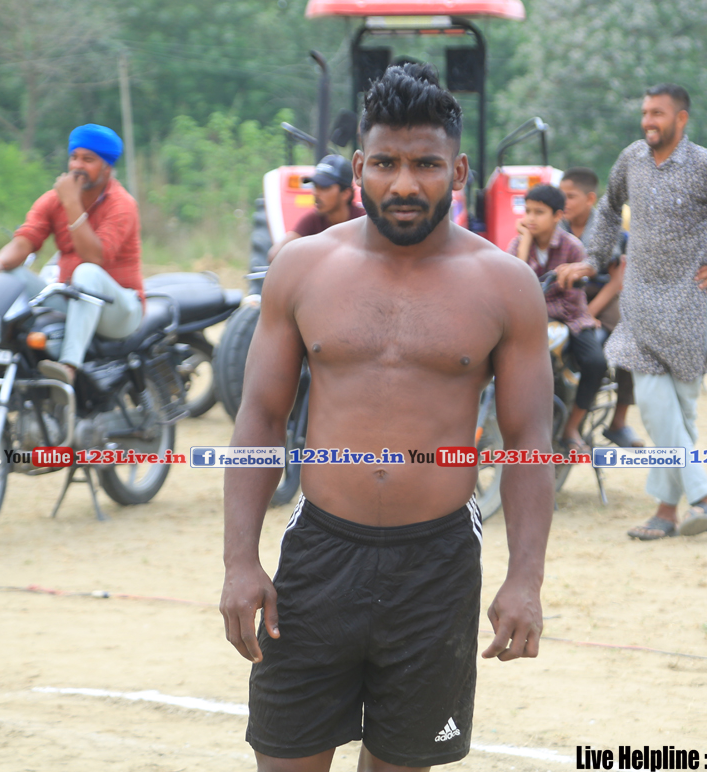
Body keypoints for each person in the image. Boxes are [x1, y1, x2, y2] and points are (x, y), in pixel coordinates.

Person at [220, 63, 553, 771]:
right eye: (386, 163)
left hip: (437, 564)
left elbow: (528, 441)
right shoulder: (302, 268)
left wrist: (526, 578)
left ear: (458, 170)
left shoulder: (506, 285)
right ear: (359, 168)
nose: (405, 184)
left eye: (426, 164)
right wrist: (239, 560)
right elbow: (260, 419)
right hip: (320, 553)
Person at [580, 84, 707, 541]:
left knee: (679, 416)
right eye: (645, 112)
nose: (648, 121)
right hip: (639, 307)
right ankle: (706, 497)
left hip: (689, 308)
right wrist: (594, 258)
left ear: (681, 118)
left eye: (658, 113)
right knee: (654, 406)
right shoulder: (632, 158)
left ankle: (666, 512)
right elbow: (608, 209)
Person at [0, 124, 143, 386]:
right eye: (74, 157)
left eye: (88, 159)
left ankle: (69, 365)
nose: (77, 165)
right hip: (74, 300)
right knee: (10, 275)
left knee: (87, 272)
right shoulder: (53, 200)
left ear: (107, 168)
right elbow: (25, 241)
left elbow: (94, 258)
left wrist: (72, 203)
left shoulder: (122, 204)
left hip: (118, 310)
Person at [506, 184, 606, 453]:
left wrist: (533, 305)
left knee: (596, 362)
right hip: (530, 322)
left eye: (539, 212)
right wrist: (525, 242)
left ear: (558, 216)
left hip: (571, 320)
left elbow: (571, 302)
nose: (530, 218)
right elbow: (511, 286)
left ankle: (572, 426)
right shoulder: (518, 244)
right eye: (527, 211)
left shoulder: (572, 247)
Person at [557, 167, 642, 447]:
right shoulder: (556, 223)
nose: (564, 202)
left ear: (590, 198)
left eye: (571, 196)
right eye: (561, 195)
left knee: (629, 340)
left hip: (601, 296)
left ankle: (618, 422)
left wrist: (587, 314)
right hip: (563, 295)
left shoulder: (607, 227)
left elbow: (617, 280)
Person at [266, 154, 366, 263]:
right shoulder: (312, 220)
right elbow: (275, 255)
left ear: (345, 194)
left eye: (324, 187)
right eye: (315, 186)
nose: (315, 193)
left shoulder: (364, 221)